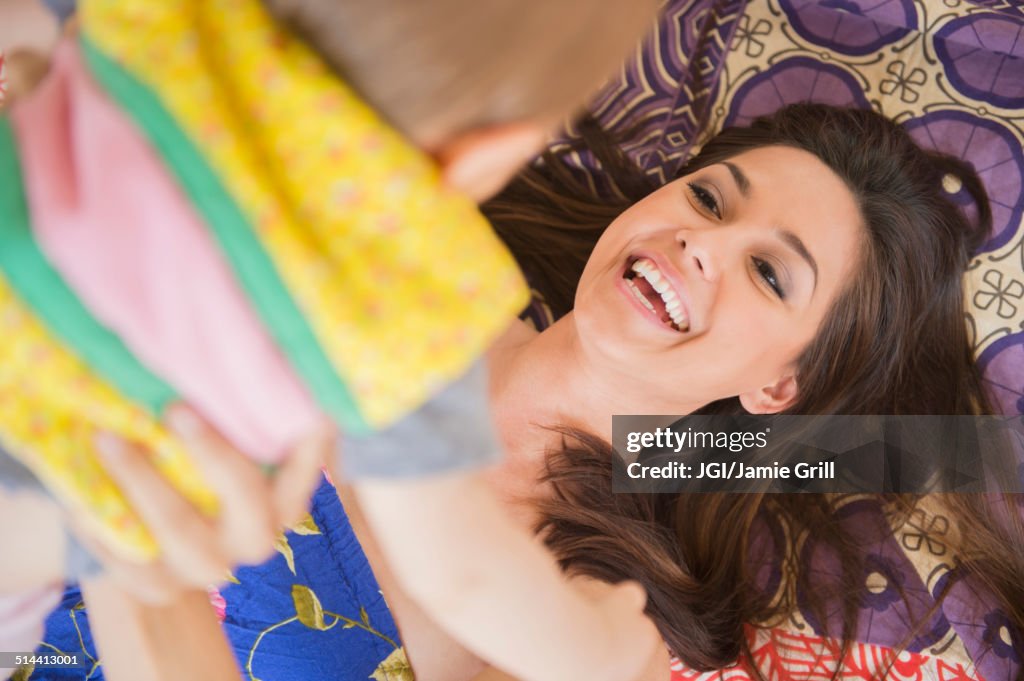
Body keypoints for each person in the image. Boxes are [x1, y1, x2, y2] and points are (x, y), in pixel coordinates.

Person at [71, 102, 1023, 681]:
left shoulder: (590, 625)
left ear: (777, 385)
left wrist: (106, 521)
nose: (703, 240)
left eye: (771, 274)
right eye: (709, 197)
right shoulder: (424, 252)